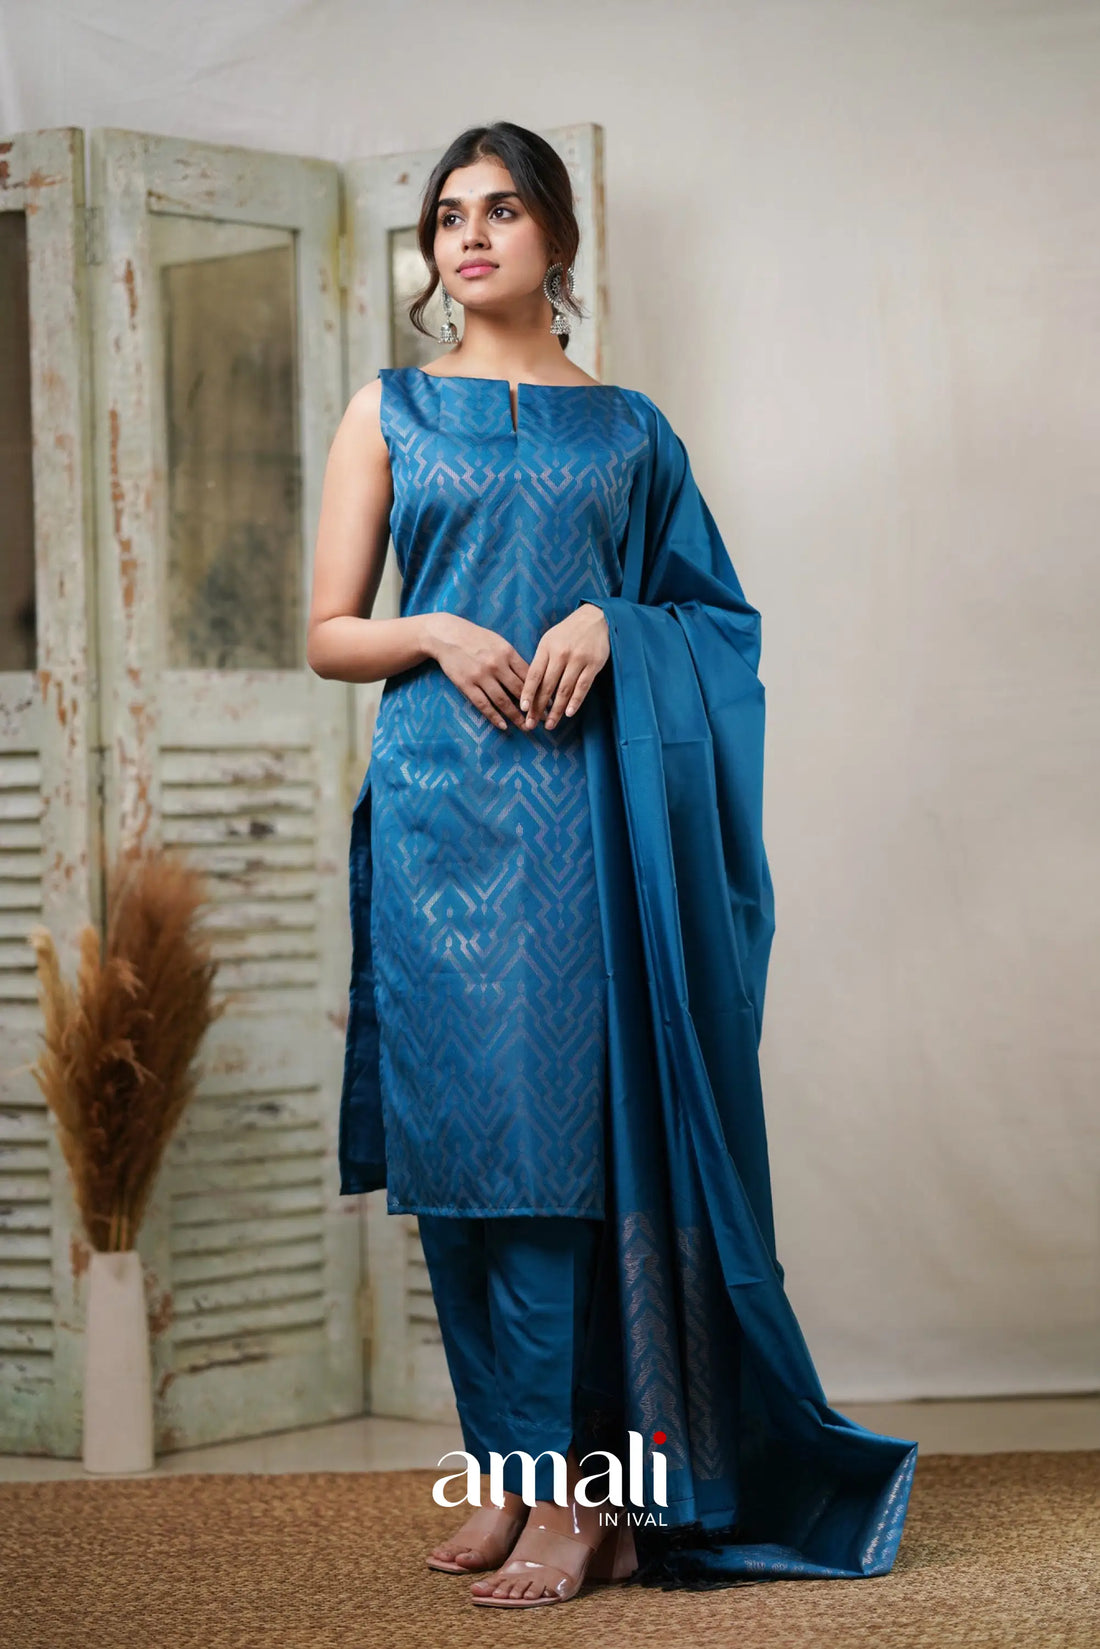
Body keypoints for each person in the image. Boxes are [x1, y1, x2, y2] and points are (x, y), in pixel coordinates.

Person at [308, 121, 918, 1611]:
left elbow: (721, 625)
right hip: (439, 817)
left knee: (566, 1164)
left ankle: (597, 1502)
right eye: (448, 215)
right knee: (463, 1166)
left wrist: (613, 623)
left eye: (502, 209)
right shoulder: (390, 411)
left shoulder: (633, 433)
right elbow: (329, 632)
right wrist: (435, 630)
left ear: (559, 239)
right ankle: (509, 1474)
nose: (470, 236)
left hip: (586, 831)